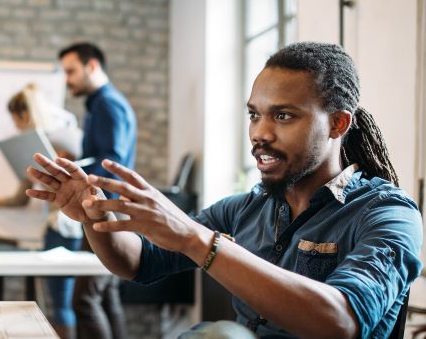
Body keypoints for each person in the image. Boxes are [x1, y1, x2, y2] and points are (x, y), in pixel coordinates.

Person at [26, 42, 423, 338]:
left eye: (283, 116)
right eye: (254, 115)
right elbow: (140, 263)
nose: (260, 134)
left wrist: (200, 242)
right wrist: (96, 217)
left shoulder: (387, 214)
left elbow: (340, 320)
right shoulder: (247, 207)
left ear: (337, 124)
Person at [0, 83, 83, 339]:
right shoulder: (34, 148)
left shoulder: (65, 139)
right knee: (58, 302)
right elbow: (20, 199)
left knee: (62, 302)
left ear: (25, 114)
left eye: (16, 119)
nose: (16, 126)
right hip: (55, 227)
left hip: (65, 227)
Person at [58, 42, 136, 339]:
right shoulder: (100, 104)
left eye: (71, 71)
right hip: (108, 212)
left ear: (92, 66)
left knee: (84, 299)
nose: (67, 80)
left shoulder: (106, 104)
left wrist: (76, 180)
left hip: (105, 214)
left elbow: (111, 162)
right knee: (104, 297)